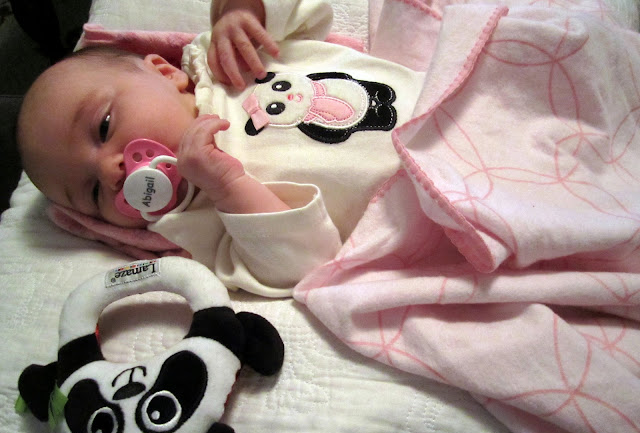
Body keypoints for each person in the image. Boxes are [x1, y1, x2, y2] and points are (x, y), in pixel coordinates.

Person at [17, 0, 427, 296]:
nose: (110, 172)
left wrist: (243, 12)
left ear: (165, 72)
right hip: (426, 199)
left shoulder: (222, 61)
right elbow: (306, 264)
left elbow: (307, 15)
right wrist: (227, 187)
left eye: (104, 126)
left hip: (433, 98)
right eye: (92, 193)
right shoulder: (192, 227)